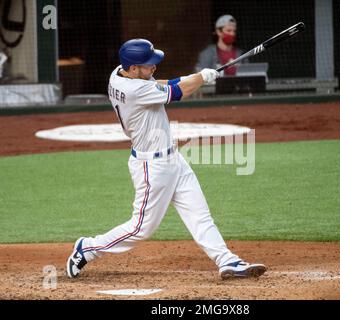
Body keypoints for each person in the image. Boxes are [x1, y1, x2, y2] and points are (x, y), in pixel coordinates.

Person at [66, 39, 267, 280]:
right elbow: (177, 91)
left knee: (199, 214)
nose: (154, 67)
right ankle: (88, 248)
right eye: (148, 64)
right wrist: (201, 78)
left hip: (173, 159)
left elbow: (163, 84)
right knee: (141, 228)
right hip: (152, 167)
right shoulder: (134, 90)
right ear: (133, 69)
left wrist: (198, 76)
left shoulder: (120, 75)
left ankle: (227, 260)